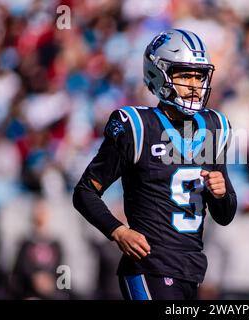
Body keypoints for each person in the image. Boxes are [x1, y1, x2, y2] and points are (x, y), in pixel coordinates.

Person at [73, 29, 237, 300]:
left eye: (199, 76)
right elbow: (85, 191)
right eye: (184, 75)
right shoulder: (135, 126)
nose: (194, 85)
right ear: (158, 74)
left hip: (191, 268)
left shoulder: (215, 126)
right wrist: (118, 231)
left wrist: (221, 194)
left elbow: (225, 215)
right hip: (149, 266)